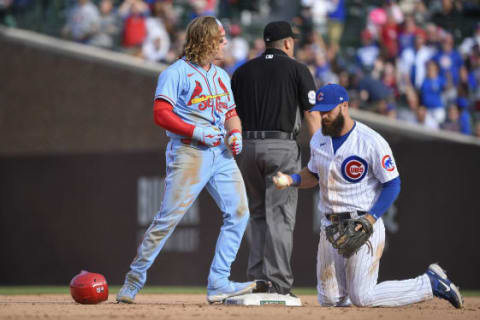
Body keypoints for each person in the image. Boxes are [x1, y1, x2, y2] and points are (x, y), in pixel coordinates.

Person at [272, 83, 464, 309]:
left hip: (362, 223)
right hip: (329, 226)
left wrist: (371, 218)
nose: (324, 116)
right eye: (321, 111)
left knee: (362, 297)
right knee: (330, 300)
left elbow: (392, 184)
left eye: (329, 111)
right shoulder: (318, 140)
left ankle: (429, 284)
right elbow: (313, 174)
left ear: (344, 106)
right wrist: (291, 180)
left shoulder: (371, 141)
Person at [116, 16, 256, 304]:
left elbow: (230, 113)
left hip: (221, 154)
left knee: (240, 213)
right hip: (189, 150)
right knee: (168, 219)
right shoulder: (175, 72)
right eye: (220, 38)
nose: (225, 42)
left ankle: (218, 281)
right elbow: (161, 113)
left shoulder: (221, 75)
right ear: (206, 40)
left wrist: (236, 133)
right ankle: (134, 278)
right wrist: (197, 130)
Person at [231, 21, 320, 301]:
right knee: (279, 218)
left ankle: (257, 281)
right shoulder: (297, 69)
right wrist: (320, 152)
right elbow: (311, 114)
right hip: (280, 146)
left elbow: (229, 113)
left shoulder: (242, 71)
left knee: (257, 215)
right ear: (288, 43)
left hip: (247, 147)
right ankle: (278, 284)